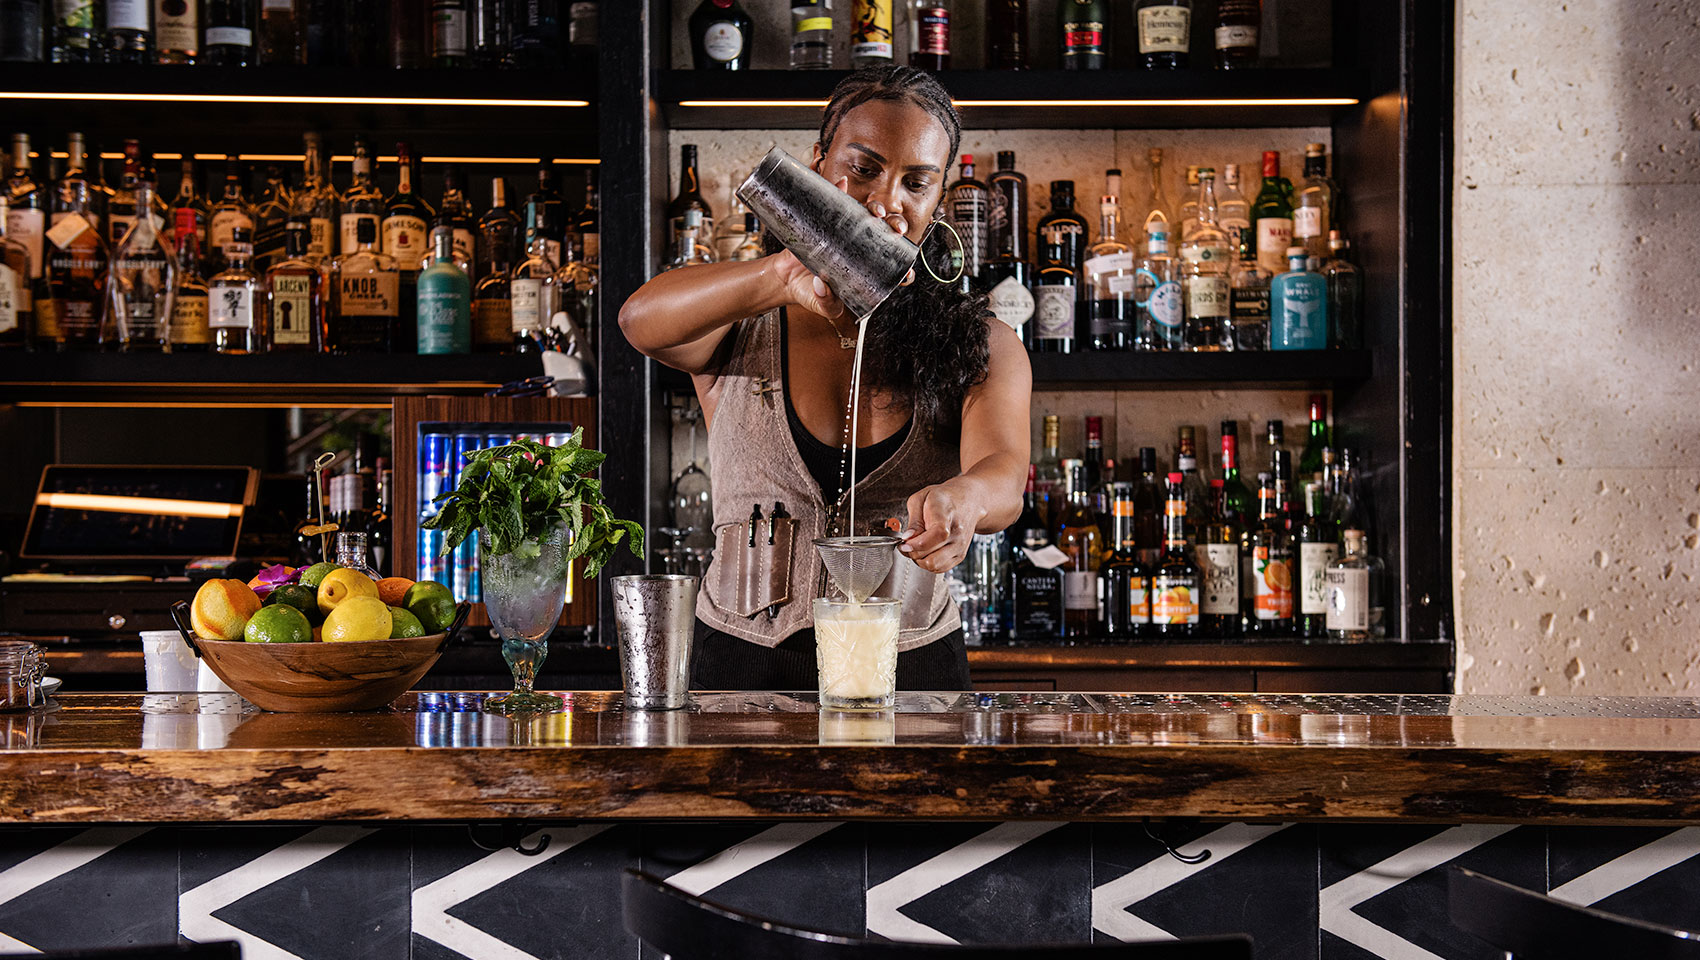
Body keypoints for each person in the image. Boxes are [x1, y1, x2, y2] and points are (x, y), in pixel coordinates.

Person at [619, 66, 1031, 691]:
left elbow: (1003, 473)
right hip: (739, 666)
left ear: (938, 197)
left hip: (911, 671)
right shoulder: (740, 320)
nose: (885, 202)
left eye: (916, 183)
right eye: (863, 169)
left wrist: (967, 499)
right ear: (818, 163)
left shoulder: (981, 342)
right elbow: (638, 321)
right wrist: (781, 276)